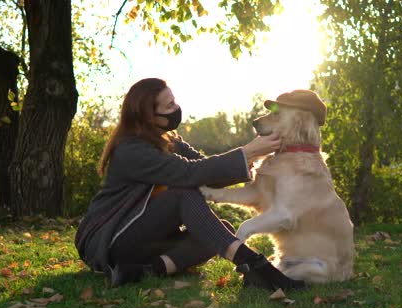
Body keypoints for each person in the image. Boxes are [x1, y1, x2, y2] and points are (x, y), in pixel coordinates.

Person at [74, 78, 306, 291]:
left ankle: (144, 271)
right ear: (148, 116)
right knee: (182, 192)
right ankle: (255, 266)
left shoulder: (169, 140)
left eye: (174, 101)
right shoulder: (131, 150)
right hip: (110, 239)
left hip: (142, 240)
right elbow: (188, 173)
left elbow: (205, 170)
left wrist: (252, 154)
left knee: (216, 231)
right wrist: (248, 152)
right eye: (169, 105)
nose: (176, 108)